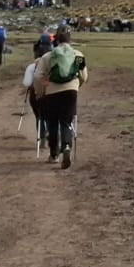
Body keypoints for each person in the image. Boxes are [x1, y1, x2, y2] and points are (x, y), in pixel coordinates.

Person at [33, 29, 87, 169]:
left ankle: (54, 154)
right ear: (70, 40)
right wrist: (76, 85)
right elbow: (84, 75)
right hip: (71, 92)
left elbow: (38, 77)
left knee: (52, 123)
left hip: (51, 92)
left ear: (55, 40)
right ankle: (67, 146)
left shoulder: (47, 56)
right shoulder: (79, 55)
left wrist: (40, 93)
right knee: (66, 121)